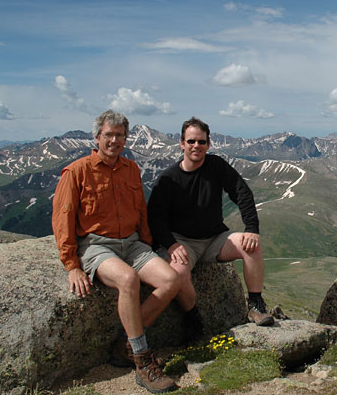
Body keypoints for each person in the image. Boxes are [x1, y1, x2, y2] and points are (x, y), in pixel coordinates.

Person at [52, 110, 179, 394]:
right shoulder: (77, 171)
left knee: (171, 280)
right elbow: (63, 218)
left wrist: (147, 242)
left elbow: (140, 210)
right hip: (96, 245)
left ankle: (126, 344)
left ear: (125, 138)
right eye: (108, 135)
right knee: (128, 280)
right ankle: (142, 359)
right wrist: (72, 265)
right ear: (97, 137)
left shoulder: (131, 169)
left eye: (119, 135)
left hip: (132, 243)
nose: (114, 140)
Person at [148, 117, 275, 334]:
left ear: (208, 144)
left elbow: (241, 192)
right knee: (178, 273)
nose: (196, 146)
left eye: (201, 141)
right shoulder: (169, 178)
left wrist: (252, 229)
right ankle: (193, 318)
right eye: (191, 141)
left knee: (252, 246)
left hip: (215, 238)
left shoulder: (216, 165)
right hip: (182, 241)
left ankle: (255, 305)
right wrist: (171, 245)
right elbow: (154, 217)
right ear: (182, 144)